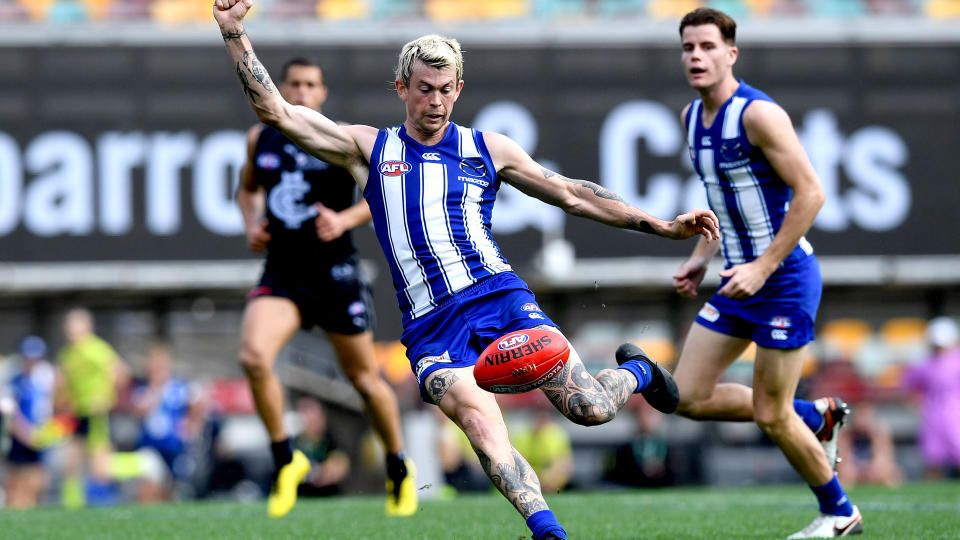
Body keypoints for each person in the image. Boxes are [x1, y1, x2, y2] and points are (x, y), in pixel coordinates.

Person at [213, 3, 720, 537]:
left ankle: (637, 371)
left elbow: (572, 194)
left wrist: (662, 226)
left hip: (499, 297)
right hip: (432, 326)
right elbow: (278, 112)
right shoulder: (370, 147)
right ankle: (549, 532)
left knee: (591, 408)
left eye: (446, 89)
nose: (435, 101)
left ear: (459, 87)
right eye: (424, 88)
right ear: (401, 87)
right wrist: (234, 32)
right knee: (483, 430)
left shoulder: (486, 148)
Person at [668, 8, 862, 538]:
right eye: (688, 48)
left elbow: (813, 193)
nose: (696, 57)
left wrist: (763, 264)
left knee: (771, 415)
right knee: (684, 395)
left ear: (731, 53)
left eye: (707, 46)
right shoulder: (691, 117)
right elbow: (720, 199)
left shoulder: (758, 114)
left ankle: (840, 512)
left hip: (784, 277)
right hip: (738, 278)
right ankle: (815, 414)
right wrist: (700, 259)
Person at [234, 55, 416, 518]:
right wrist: (252, 222)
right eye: (292, 83)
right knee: (254, 356)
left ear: (322, 93)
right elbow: (248, 188)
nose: (299, 92)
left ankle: (398, 466)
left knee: (362, 379)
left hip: (335, 273)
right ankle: (285, 458)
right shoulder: (261, 137)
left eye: (309, 85)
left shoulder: (338, 137)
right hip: (283, 272)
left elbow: (385, 194)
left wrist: (345, 217)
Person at [56, 307, 129, 509]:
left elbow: (120, 372)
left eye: (75, 325)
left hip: (96, 412)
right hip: (78, 413)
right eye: (68, 325)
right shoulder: (67, 354)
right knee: (71, 460)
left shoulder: (96, 349)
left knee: (100, 461)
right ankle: (72, 506)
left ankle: (141, 467)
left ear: (87, 327)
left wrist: (106, 397)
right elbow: (65, 385)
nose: (71, 330)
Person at [130, 342, 205, 501]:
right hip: (150, 446)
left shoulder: (179, 386)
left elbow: (198, 402)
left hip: (174, 447)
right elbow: (138, 411)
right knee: (149, 481)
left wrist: (191, 424)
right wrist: (154, 393)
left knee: (171, 488)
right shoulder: (142, 389)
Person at [902, 316, 960, 480]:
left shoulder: (957, 360)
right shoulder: (924, 363)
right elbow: (910, 388)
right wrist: (918, 407)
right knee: (933, 460)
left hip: (956, 415)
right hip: (933, 416)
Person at [3, 336, 57, 508]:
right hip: (19, 437)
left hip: (38, 435)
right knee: (14, 481)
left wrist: (46, 432)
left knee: (34, 482)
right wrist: (25, 433)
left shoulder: (47, 376)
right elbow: (10, 411)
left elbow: (52, 407)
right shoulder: (13, 379)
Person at [292, 396, 351, 497]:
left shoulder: (331, 439)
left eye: (312, 414)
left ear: (322, 418)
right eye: (304, 412)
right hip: (299, 495)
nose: (307, 419)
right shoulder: (292, 440)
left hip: (327, 494)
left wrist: (330, 470)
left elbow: (341, 461)